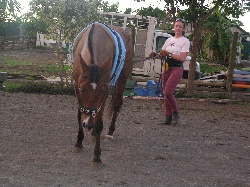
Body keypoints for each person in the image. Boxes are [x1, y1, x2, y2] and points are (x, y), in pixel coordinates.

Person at [150, 18, 190, 125]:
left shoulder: (185, 41)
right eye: (176, 26)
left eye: (180, 26)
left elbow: (182, 58)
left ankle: (175, 112)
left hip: (177, 68)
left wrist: (169, 54)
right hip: (167, 67)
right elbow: (163, 53)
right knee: (164, 93)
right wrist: (156, 55)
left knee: (168, 92)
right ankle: (168, 116)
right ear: (174, 26)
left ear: (183, 28)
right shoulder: (169, 40)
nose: (178, 28)